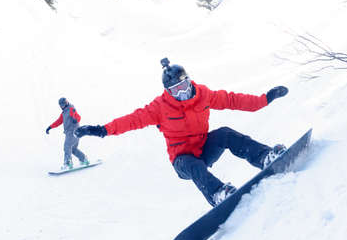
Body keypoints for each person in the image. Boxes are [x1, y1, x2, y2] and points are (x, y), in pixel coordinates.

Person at [75, 58, 288, 206]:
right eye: (177, 90)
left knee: (225, 133)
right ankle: (218, 193)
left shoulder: (203, 94)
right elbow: (132, 120)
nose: (183, 92)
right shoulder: (160, 107)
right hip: (182, 161)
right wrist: (101, 130)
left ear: (189, 80)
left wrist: (264, 99)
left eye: (185, 85)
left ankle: (265, 157)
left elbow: (232, 100)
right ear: (168, 92)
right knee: (192, 164)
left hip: (204, 149)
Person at [46, 97, 90, 169]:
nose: (61, 107)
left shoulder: (70, 109)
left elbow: (78, 117)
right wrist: (50, 127)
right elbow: (59, 121)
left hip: (72, 131)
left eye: (63, 105)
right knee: (73, 149)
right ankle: (84, 159)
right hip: (75, 132)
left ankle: (68, 162)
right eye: (60, 105)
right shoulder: (64, 113)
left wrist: (76, 120)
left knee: (67, 146)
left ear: (66, 103)